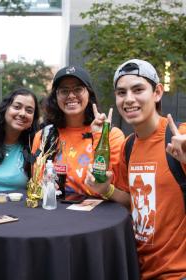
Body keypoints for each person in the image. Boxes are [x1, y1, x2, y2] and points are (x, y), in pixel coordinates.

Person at [85, 59, 186, 279]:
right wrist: (106, 189)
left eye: (138, 89)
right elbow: (134, 201)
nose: (129, 99)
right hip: (135, 267)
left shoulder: (180, 137)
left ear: (157, 92)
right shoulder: (128, 146)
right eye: (121, 93)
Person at [31, 66, 125, 196]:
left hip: (100, 214)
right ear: (55, 97)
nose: (71, 95)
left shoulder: (112, 135)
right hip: (55, 212)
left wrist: (99, 136)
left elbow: (110, 183)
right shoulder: (44, 136)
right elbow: (37, 182)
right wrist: (42, 185)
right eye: (64, 91)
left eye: (78, 89)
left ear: (89, 94)